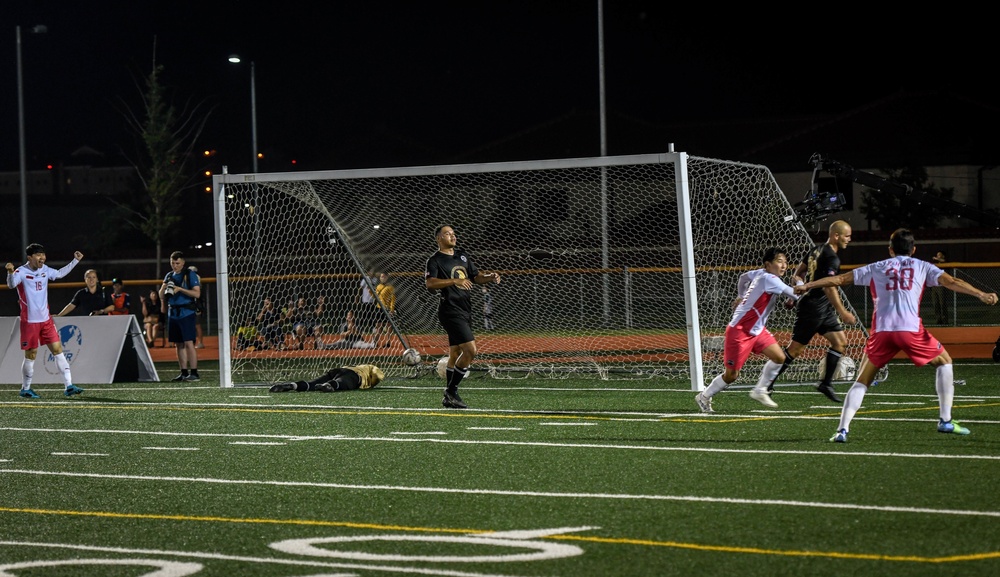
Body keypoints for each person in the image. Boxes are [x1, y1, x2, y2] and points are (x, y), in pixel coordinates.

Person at [794, 228, 999, 443]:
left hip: (882, 332)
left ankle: (842, 430)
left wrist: (808, 285)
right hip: (910, 331)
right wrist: (981, 294)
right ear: (914, 249)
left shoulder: (877, 267)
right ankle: (945, 420)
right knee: (945, 362)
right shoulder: (923, 266)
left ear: (890, 250)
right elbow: (953, 282)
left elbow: (839, 280)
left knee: (862, 381)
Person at [694, 247, 798, 413]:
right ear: (768, 264)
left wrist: (741, 295)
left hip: (757, 330)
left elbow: (743, 278)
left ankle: (760, 390)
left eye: (786, 262)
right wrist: (802, 286)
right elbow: (794, 294)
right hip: (740, 331)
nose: (784, 265)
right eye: (780, 261)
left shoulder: (760, 274)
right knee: (731, 376)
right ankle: (704, 396)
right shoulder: (770, 278)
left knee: (779, 357)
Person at [767, 220, 855, 403]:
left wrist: (794, 295)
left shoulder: (816, 250)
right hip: (813, 308)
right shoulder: (832, 257)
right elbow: (830, 287)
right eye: (847, 236)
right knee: (795, 350)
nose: (849, 239)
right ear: (836, 235)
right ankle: (766, 384)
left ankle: (826, 384)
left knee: (840, 343)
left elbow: (797, 274)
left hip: (822, 307)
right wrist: (843, 312)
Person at [425, 224, 501, 409]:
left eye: (453, 233)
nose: (452, 236)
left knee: (456, 353)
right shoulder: (434, 260)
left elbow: (476, 277)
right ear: (439, 239)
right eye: (447, 234)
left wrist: (490, 276)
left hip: (465, 309)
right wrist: (454, 280)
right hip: (450, 310)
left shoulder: (462, 256)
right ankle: (451, 392)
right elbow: (430, 283)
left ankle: (449, 397)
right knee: (470, 350)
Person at [5, 243, 85, 398]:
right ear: (30, 257)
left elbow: (60, 274)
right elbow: (11, 284)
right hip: (30, 321)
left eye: (43, 254)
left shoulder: (45, 270)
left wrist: (75, 261)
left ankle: (69, 386)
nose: (42, 257)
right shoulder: (21, 271)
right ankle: (25, 389)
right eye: (38, 255)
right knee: (31, 355)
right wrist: (9, 272)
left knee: (58, 351)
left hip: (46, 320)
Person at [159, 251, 201, 381]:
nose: (175, 266)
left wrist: (180, 289)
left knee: (189, 342)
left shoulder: (189, 274)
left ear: (183, 263)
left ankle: (194, 373)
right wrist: (164, 287)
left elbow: (197, 294)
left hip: (186, 312)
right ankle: (183, 372)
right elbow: (162, 296)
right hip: (173, 312)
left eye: (177, 263)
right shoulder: (169, 275)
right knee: (178, 344)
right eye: (172, 263)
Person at [269, 364, 384, 393]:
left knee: (313, 383)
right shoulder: (368, 369)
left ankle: (293, 385)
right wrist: (370, 384)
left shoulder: (358, 365)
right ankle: (330, 385)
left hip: (339, 369)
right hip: (353, 375)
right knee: (342, 383)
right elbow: (378, 374)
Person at [356, 268, 379, 341]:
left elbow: (376, 290)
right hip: (365, 301)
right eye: (371, 271)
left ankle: (374, 338)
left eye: (373, 272)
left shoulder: (375, 280)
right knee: (362, 318)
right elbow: (360, 288)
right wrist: (357, 297)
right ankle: (359, 335)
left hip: (372, 302)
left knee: (372, 319)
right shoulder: (365, 279)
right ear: (368, 272)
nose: (372, 273)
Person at [374, 272, 396, 348]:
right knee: (378, 327)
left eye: (383, 276)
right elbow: (376, 297)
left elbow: (393, 299)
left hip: (387, 309)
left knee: (388, 327)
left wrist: (391, 309)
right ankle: (375, 343)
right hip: (379, 308)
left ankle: (388, 342)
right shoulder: (378, 286)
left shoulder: (390, 287)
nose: (382, 278)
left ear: (387, 277)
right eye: (381, 276)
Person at [189, 266, 206, 349]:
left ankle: (200, 342)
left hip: (195, 305)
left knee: (197, 325)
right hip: (193, 305)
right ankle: (195, 342)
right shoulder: (194, 278)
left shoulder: (195, 278)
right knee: (194, 325)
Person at [931, 250, 949, 324]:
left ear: (942, 256)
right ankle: (938, 320)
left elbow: (943, 261)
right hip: (934, 286)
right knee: (935, 303)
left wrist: (936, 258)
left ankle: (945, 320)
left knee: (942, 303)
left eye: (939, 255)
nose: (937, 256)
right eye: (937, 255)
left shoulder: (944, 263)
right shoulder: (935, 264)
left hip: (941, 286)